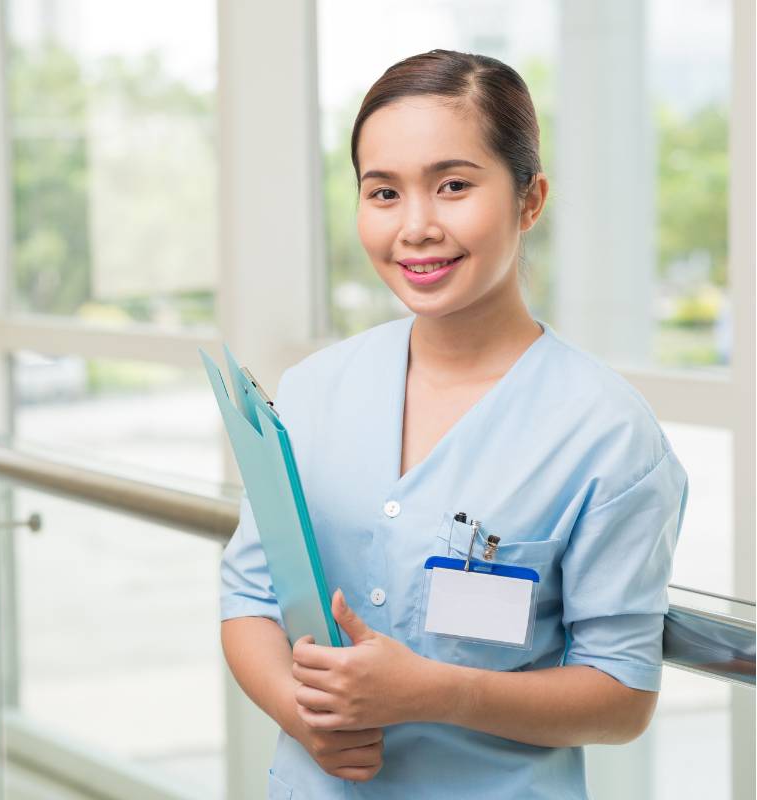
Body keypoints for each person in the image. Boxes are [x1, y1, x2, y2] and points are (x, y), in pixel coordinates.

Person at [218, 49, 688, 799]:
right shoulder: (313, 392)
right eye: (383, 193)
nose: (417, 226)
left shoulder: (607, 436)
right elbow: (248, 600)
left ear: (530, 200)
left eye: (454, 186)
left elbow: (622, 694)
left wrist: (434, 692)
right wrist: (307, 719)